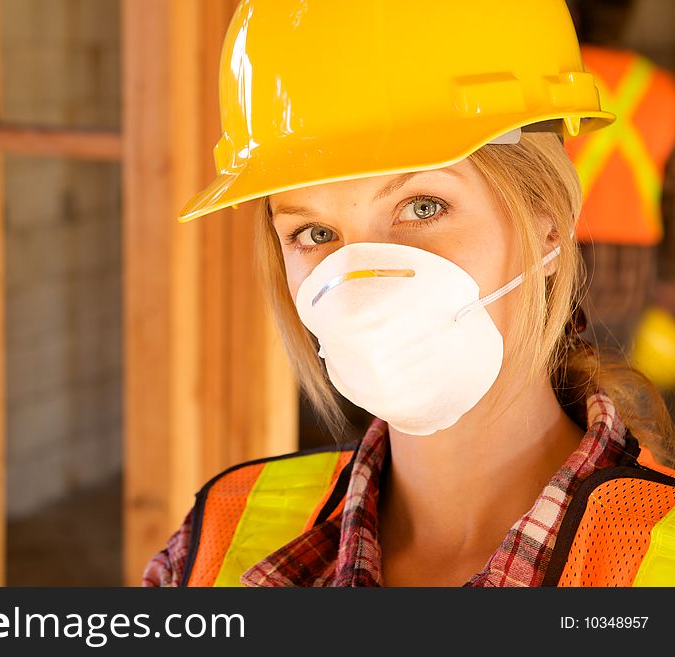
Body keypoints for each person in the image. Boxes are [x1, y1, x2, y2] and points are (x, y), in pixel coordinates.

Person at [143, 0, 675, 587]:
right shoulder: (216, 538)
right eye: (314, 233)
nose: (363, 286)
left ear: (548, 222)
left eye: (422, 207)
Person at [565, 0, 675, 355]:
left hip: (559, 250)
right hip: (632, 268)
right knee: (613, 378)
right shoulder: (661, 87)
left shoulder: (556, 78)